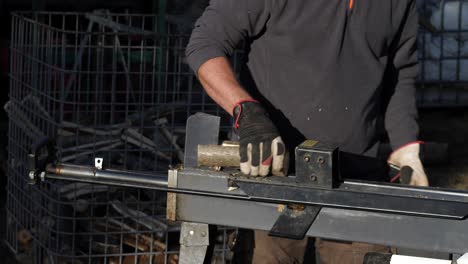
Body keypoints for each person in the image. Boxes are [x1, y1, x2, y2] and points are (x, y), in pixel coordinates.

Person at [185, 0, 429, 263]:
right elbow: (205, 45)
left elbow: (401, 71)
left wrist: (406, 146)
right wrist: (247, 112)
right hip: (275, 179)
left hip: (355, 183)